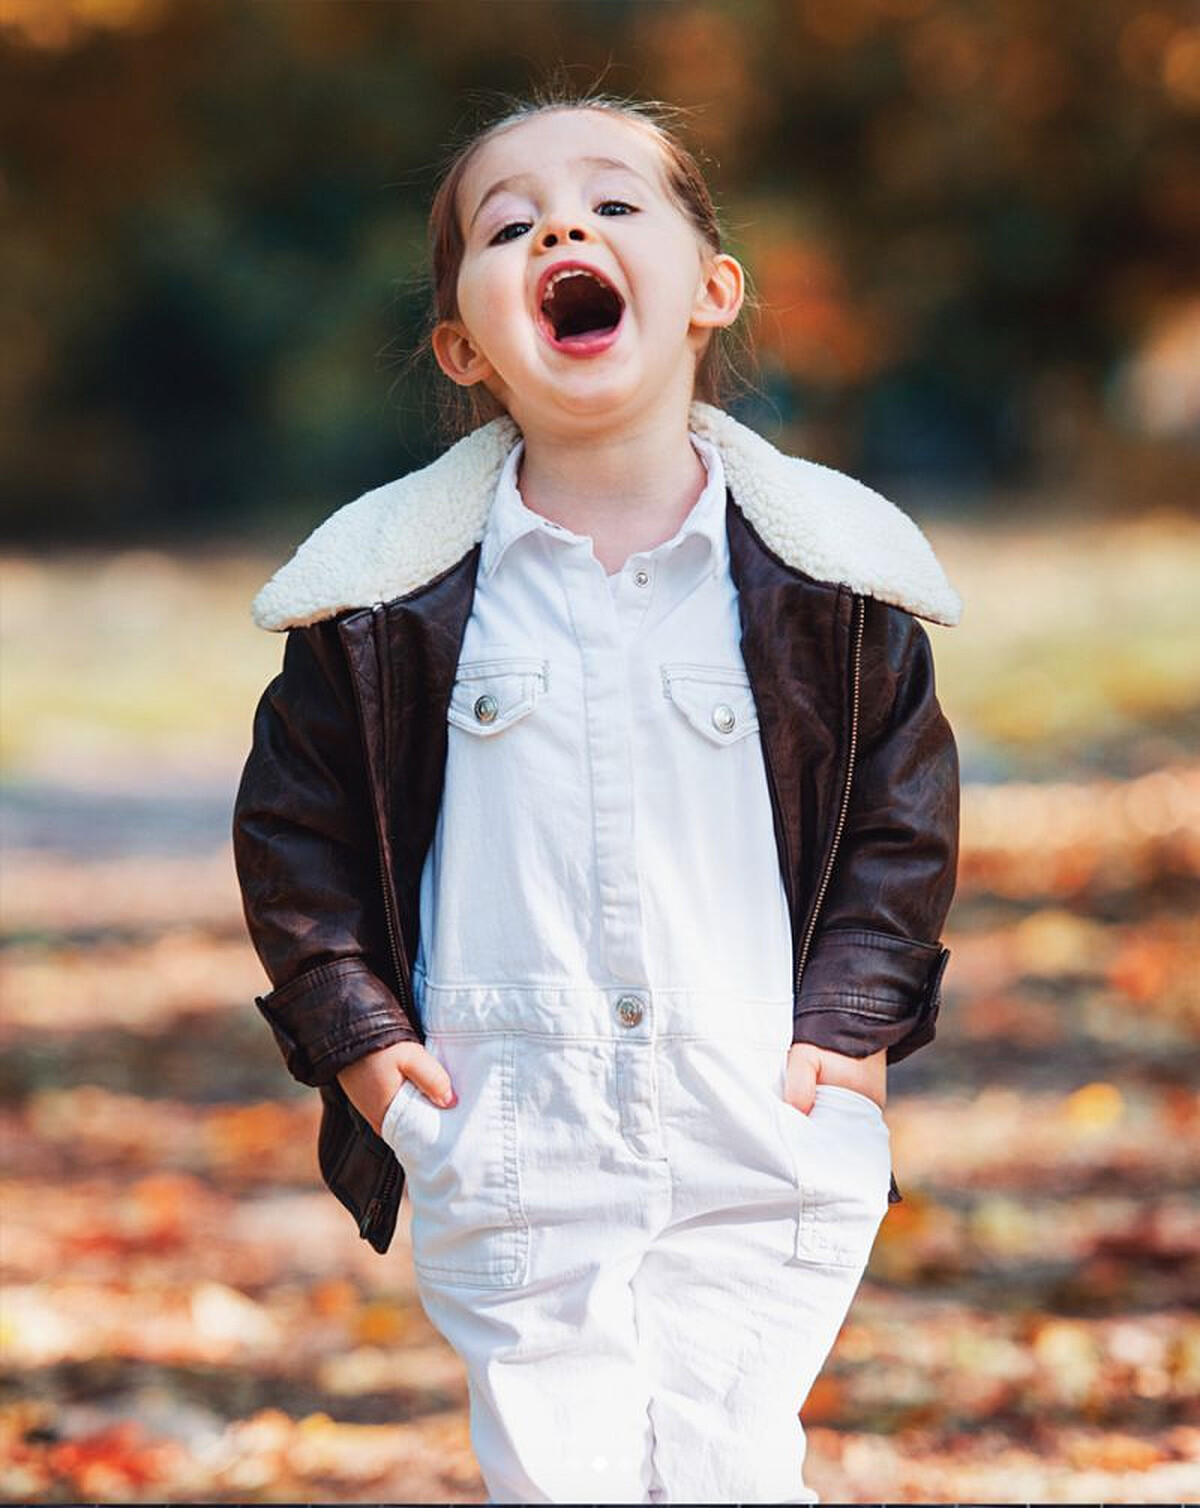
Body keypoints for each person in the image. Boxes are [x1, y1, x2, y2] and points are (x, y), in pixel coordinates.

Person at [232, 88, 962, 1505]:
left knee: (734, 1464)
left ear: (710, 290)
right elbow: (296, 835)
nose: (562, 221)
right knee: (558, 1473)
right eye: (510, 224)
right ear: (463, 342)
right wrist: (368, 1052)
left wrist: (854, 1030)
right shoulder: (384, 600)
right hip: (512, 1119)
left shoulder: (831, 582)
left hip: (756, 1107)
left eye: (616, 204)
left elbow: (898, 815)